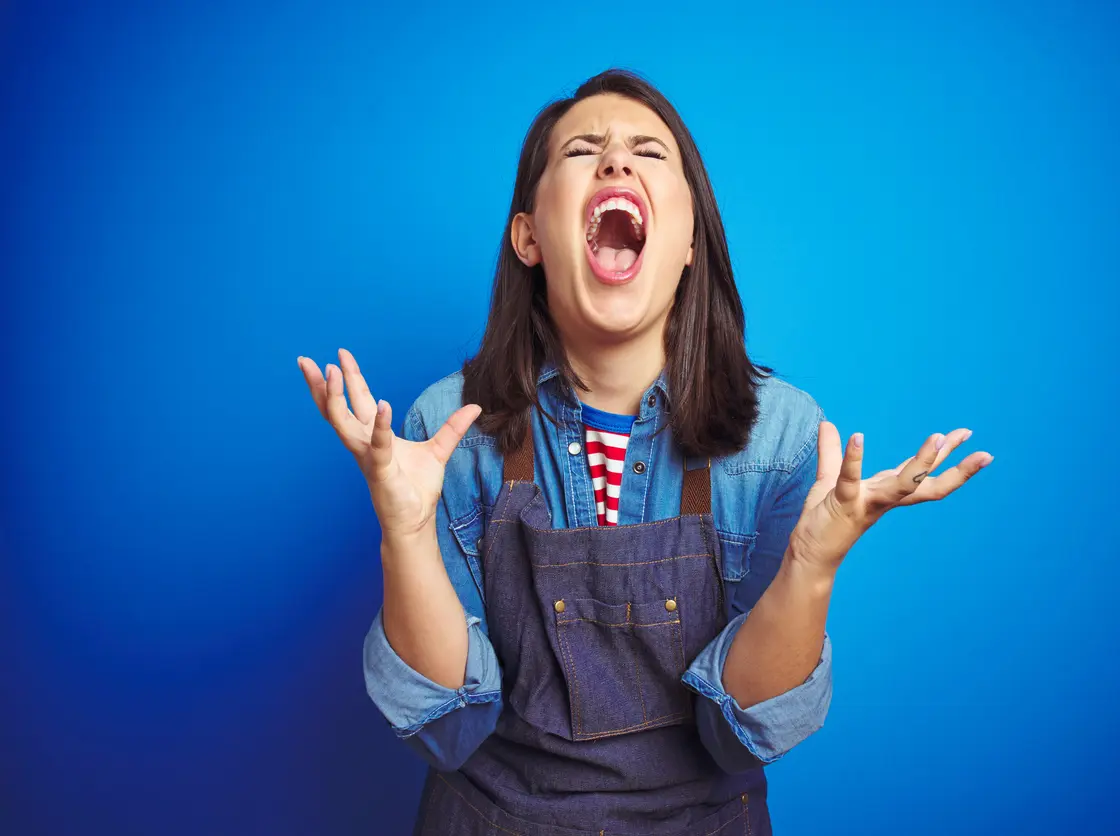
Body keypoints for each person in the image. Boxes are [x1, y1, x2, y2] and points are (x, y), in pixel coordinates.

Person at [297, 68, 992, 836]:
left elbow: (738, 735)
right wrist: (403, 532)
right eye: (582, 150)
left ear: (689, 239)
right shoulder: (448, 426)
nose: (616, 162)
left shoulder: (779, 436)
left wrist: (811, 565)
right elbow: (445, 727)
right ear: (528, 237)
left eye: (648, 152)